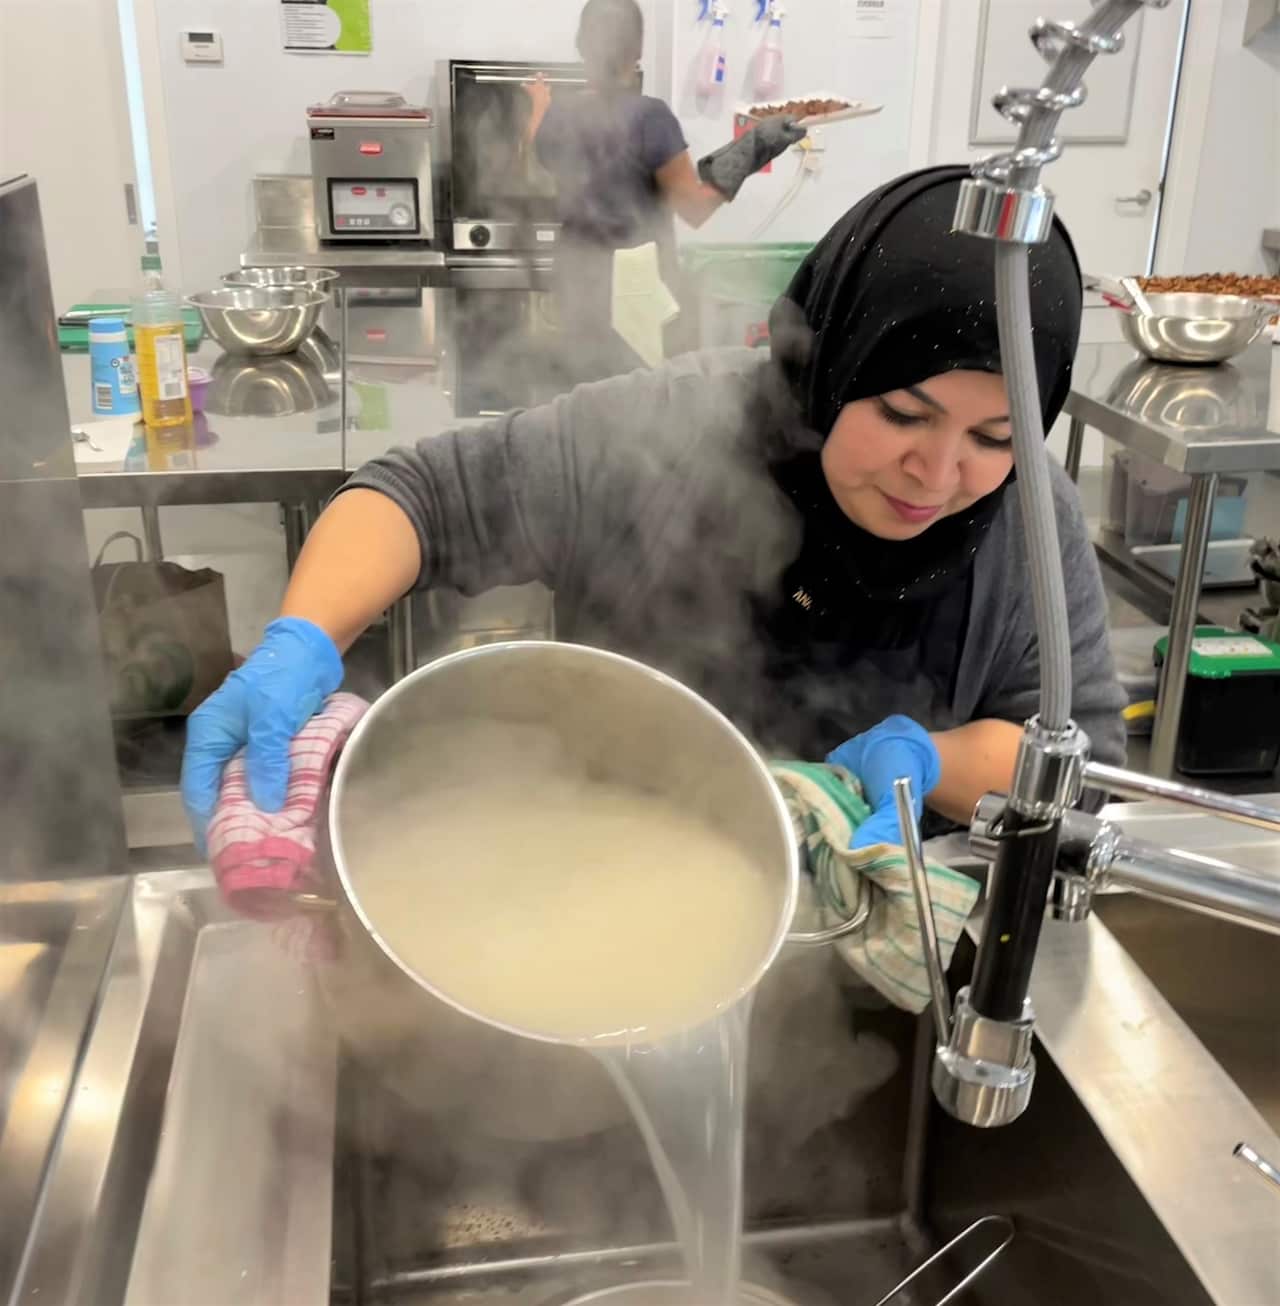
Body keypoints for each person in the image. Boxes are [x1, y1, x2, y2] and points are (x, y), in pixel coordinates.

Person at [181, 166, 1125, 852]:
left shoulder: (1031, 526)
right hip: (599, 870)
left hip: (860, 948)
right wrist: (300, 639)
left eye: (997, 437)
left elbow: (1075, 753)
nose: (940, 472)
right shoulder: (670, 431)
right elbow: (420, 498)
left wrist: (936, 760)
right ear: (829, 366)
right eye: (902, 412)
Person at [524, 0, 804, 379]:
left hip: (577, 285)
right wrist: (756, 147)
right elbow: (694, 209)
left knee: (586, 402)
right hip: (634, 298)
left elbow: (537, 141)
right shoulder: (650, 117)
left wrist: (540, 103)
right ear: (638, 49)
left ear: (581, 46)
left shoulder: (561, 115)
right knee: (639, 406)